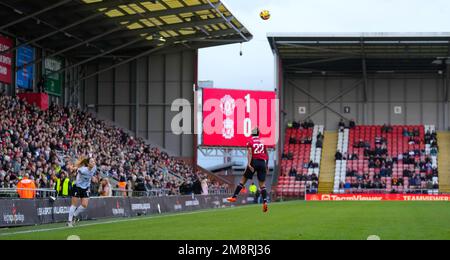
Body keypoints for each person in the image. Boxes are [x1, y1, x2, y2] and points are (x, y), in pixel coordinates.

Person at [227, 127, 269, 213]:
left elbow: (250, 153)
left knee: (243, 180)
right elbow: (266, 153)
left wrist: (249, 163)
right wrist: (266, 165)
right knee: (262, 185)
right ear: (258, 133)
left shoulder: (250, 142)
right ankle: (265, 202)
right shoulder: (263, 142)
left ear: (252, 133)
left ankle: (234, 197)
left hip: (254, 161)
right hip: (262, 163)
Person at [67, 157, 97, 227]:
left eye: (94, 161)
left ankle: (74, 215)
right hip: (77, 186)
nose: (93, 163)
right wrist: (73, 169)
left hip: (85, 188)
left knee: (84, 205)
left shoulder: (94, 167)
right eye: (92, 162)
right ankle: (69, 221)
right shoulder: (83, 170)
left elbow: (92, 175)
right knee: (74, 204)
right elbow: (75, 170)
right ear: (88, 164)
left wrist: (93, 178)